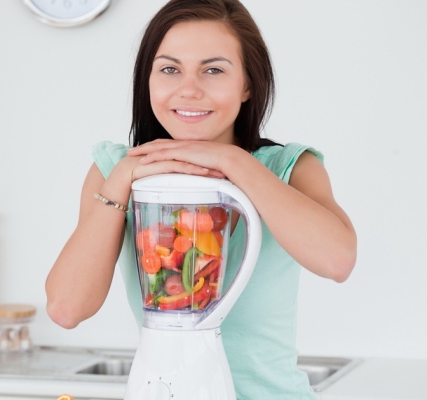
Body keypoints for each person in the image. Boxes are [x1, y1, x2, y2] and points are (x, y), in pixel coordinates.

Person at [45, 0, 357, 398]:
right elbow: (67, 309)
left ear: (247, 84)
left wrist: (232, 161)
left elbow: (337, 261)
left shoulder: (288, 167)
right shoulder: (116, 171)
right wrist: (122, 178)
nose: (189, 89)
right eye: (170, 69)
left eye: (213, 70)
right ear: (149, 81)